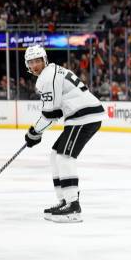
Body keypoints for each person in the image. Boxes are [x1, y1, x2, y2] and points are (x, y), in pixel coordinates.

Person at [23, 45, 104, 223]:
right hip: (80, 115)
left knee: (65, 157)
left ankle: (73, 206)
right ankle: (64, 201)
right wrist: (36, 133)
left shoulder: (46, 78)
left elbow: (50, 114)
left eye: (38, 61)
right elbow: (56, 113)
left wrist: (34, 133)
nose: (35, 65)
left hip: (84, 115)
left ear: (45, 60)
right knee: (55, 155)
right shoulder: (52, 72)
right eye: (32, 62)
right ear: (27, 65)